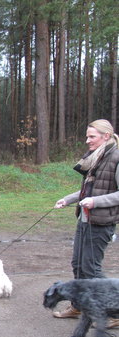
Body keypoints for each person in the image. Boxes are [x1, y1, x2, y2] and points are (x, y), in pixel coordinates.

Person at [53, 119, 119, 325]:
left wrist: (95, 201)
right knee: (78, 265)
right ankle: (79, 306)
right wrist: (69, 199)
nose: (87, 140)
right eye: (87, 136)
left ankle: (115, 312)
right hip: (84, 220)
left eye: (92, 136)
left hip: (101, 223)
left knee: (92, 270)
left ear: (105, 136)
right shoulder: (96, 157)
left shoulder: (115, 157)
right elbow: (88, 190)